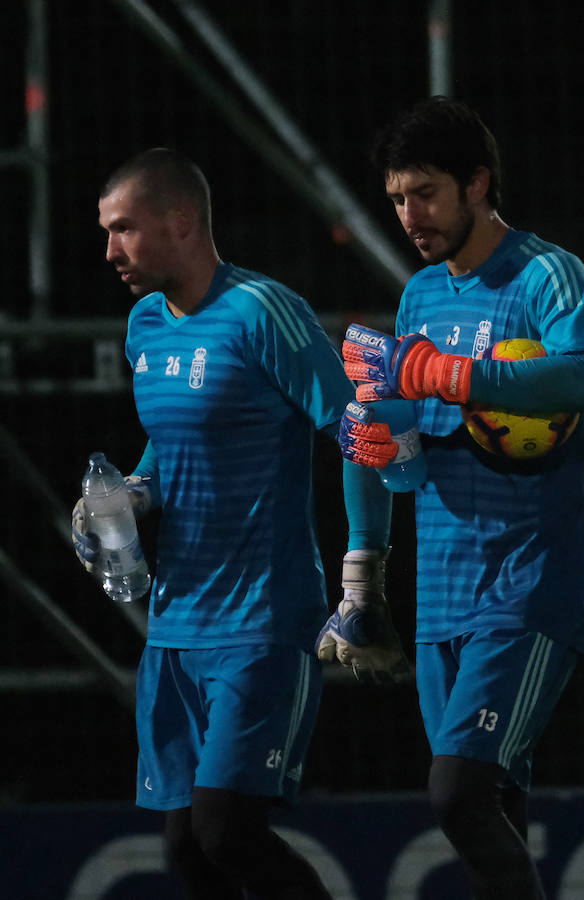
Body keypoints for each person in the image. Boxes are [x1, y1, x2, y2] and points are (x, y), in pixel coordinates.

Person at [71, 147, 408, 900]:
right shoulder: (145, 326)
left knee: (227, 830)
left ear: (182, 222)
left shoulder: (261, 311)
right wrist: (127, 497)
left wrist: (362, 580)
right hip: (174, 628)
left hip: (261, 622)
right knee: (191, 851)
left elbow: (356, 426)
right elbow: (173, 442)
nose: (109, 251)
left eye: (124, 229)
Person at [317, 97, 584, 898]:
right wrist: (381, 447)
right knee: (493, 806)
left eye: (424, 193)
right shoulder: (419, 296)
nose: (408, 215)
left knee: (456, 792)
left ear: (477, 184)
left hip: (528, 587)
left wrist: (458, 375)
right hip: (443, 596)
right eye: (395, 198)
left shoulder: (546, 274)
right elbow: (414, 465)